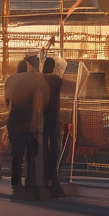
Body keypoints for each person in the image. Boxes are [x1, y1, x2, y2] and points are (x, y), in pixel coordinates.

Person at [4, 59, 48, 197]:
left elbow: (6, 101)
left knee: (17, 154)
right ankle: (31, 180)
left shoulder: (9, 80)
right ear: (27, 69)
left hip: (13, 121)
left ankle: (15, 181)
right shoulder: (35, 78)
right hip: (30, 121)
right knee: (32, 152)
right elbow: (44, 99)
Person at [41, 58, 64, 194]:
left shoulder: (39, 79)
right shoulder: (56, 79)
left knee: (42, 145)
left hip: (41, 116)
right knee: (54, 145)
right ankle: (53, 173)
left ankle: (44, 174)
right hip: (53, 116)